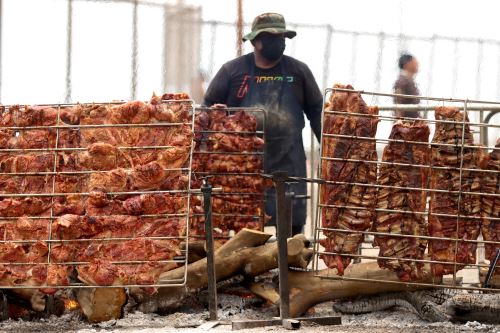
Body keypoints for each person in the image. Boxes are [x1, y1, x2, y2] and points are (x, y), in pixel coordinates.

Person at [203, 13, 323, 236]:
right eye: (271, 37)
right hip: (244, 165)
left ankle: (290, 267)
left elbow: (317, 111)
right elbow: (209, 109)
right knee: (247, 230)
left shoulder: (299, 72)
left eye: (281, 38)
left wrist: (327, 148)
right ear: (256, 41)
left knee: (291, 231)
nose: (278, 42)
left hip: (289, 161)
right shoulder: (233, 71)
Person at [393, 53, 421, 118]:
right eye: (414, 62)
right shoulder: (402, 81)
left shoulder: (408, 80)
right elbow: (398, 103)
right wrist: (400, 122)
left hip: (410, 122)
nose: (417, 65)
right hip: (406, 123)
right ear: (407, 64)